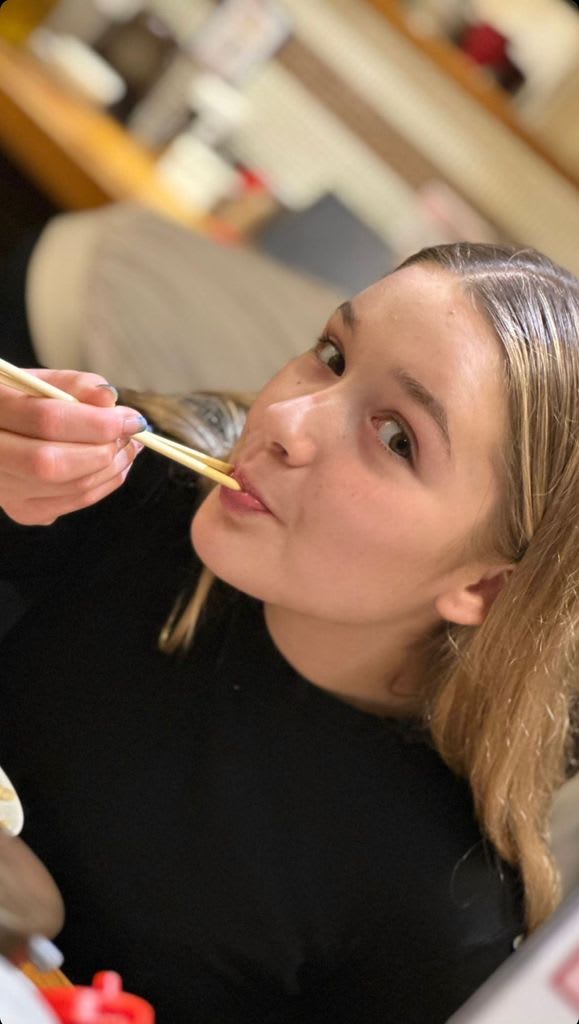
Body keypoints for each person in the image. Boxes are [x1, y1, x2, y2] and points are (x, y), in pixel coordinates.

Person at [0, 242, 578, 1024]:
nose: (283, 421)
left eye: (397, 437)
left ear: (483, 586)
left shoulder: (436, 917)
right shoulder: (131, 485)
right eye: (332, 356)